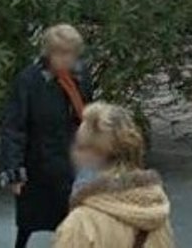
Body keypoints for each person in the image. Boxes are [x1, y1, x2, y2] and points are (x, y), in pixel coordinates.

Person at [1, 25, 93, 248]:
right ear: (49, 53)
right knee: (30, 221)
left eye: (71, 53)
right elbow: (14, 126)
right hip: (38, 163)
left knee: (74, 220)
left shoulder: (79, 77)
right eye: (61, 53)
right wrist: (14, 170)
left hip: (71, 161)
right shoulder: (29, 81)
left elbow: (87, 115)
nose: (67, 59)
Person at [54, 102, 173, 248]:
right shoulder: (155, 211)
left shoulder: (80, 224)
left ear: (95, 154)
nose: (73, 152)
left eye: (80, 146)